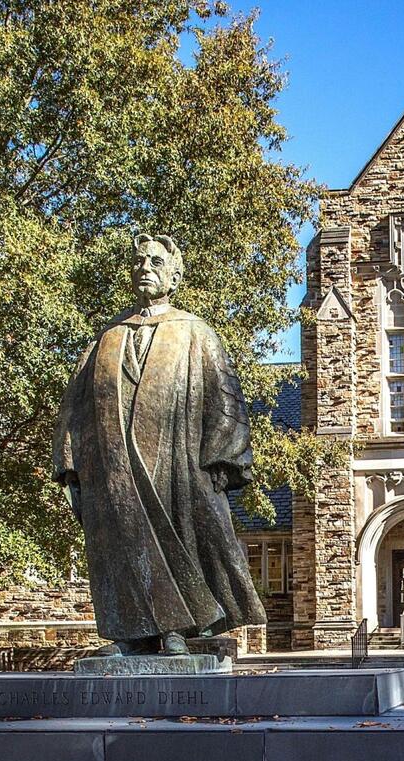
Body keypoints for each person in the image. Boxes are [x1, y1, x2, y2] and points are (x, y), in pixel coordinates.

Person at [53, 234, 266, 656]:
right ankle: (131, 632)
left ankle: (178, 629)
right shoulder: (106, 339)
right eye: (138, 261)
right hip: (113, 468)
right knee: (122, 542)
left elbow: (223, 398)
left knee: (178, 536)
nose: (145, 267)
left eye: (155, 261)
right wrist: (70, 466)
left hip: (176, 465)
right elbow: (73, 407)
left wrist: (224, 458)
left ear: (174, 274)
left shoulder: (195, 333)